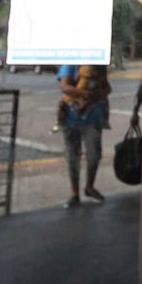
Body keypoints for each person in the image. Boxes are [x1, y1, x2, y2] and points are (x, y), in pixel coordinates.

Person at [57, 64, 111, 208]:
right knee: (73, 157)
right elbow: (64, 87)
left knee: (94, 155)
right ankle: (75, 194)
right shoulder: (70, 63)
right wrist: (86, 94)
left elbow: (106, 88)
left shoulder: (99, 65)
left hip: (93, 118)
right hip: (71, 118)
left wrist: (99, 95)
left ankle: (89, 187)